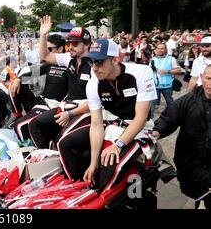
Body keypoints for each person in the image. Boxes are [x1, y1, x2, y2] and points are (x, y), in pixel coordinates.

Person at [58, 39, 157, 192]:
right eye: (91, 62)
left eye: (99, 62)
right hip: (109, 122)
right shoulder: (93, 83)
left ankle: (104, 197)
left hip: (136, 127)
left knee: (110, 169)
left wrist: (117, 145)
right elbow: (96, 124)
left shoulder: (142, 72)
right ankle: (82, 190)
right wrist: (93, 163)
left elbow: (141, 119)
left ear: (115, 60)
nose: (94, 68)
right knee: (65, 143)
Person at [27, 17, 93, 149]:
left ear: (86, 44)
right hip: (67, 106)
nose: (70, 47)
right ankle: (46, 156)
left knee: (61, 140)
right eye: (69, 43)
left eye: (75, 43)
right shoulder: (69, 58)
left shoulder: (95, 66)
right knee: (34, 125)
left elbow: (95, 102)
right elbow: (45, 56)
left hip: (86, 111)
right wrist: (43, 35)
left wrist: (69, 114)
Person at [153, 64, 211, 209]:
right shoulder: (188, 100)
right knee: (200, 194)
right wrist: (157, 131)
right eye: (208, 78)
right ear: (201, 78)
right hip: (192, 161)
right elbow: (169, 119)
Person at [149, 43, 181, 118]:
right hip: (156, 85)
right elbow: (149, 71)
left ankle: (173, 117)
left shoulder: (171, 58)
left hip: (167, 86)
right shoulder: (153, 59)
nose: (160, 50)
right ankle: (149, 120)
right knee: (152, 103)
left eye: (162, 48)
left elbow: (179, 70)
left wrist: (168, 71)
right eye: (158, 48)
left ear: (165, 49)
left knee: (170, 102)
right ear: (156, 50)